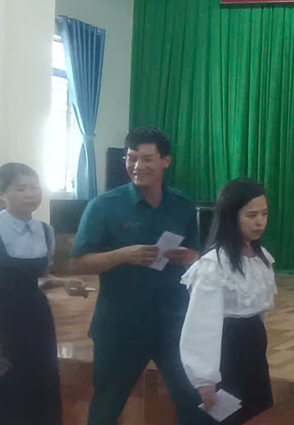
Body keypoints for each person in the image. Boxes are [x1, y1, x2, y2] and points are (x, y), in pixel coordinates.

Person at [71, 128, 209, 425]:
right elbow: (78, 263)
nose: (137, 166)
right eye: (131, 158)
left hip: (174, 323)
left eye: (147, 158)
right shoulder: (104, 206)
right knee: (107, 406)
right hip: (121, 325)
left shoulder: (183, 205)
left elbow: (195, 256)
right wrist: (123, 255)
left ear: (166, 161)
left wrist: (191, 258)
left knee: (193, 399)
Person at [180, 178, 275, 424]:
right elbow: (201, 324)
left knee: (255, 412)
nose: (260, 221)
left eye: (264, 214)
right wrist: (204, 378)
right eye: (251, 215)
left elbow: (257, 312)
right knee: (227, 417)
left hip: (253, 349)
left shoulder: (261, 257)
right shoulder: (213, 265)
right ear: (231, 217)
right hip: (226, 351)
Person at [0, 162, 87, 424]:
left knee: (41, 379)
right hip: (4, 321)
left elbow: (38, 278)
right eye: (21, 188)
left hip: (37, 317)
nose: (31, 194)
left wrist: (63, 284)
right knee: (9, 384)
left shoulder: (45, 231)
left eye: (35, 187)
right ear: (3, 194)